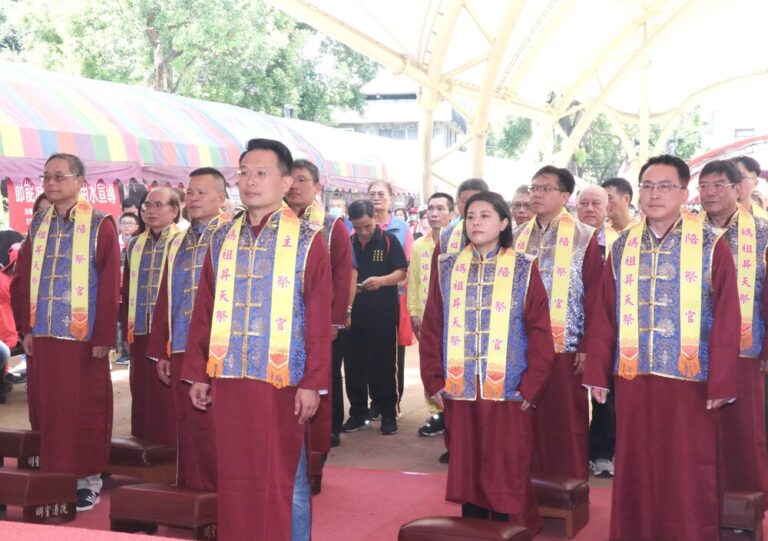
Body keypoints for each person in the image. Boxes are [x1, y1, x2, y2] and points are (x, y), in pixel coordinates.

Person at [584, 154, 740, 540]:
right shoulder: (623, 247)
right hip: (634, 374)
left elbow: (727, 315)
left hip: (691, 378)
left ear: (684, 193)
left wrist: (721, 380)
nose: (654, 194)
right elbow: (604, 312)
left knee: (689, 466)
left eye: (665, 186)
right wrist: (597, 372)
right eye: (648, 186)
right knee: (636, 463)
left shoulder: (709, 243)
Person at [183, 138, 332, 541]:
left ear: (286, 183)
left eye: (261, 173)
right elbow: (205, 310)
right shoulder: (222, 238)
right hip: (229, 377)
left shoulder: (307, 239)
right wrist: (198, 372)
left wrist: (313, 383)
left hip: (282, 381)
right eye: (244, 172)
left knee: (284, 476)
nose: (250, 181)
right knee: (234, 476)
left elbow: (319, 319)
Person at [420, 191, 554, 531]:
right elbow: (433, 324)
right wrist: (434, 380)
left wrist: (530, 387)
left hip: (509, 389)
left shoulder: (524, 268)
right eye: (471, 216)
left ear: (504, 223)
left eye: (485, 216)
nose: (476, 222)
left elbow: (539, 332)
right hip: (460, 386)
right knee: (468, 463)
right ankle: (475, 530)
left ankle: (512, 529)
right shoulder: (447, 268)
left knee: (507, 462)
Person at [11, 153, 120, 511]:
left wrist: (103, 336)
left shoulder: (101, 224)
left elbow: (109, 283)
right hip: (43, 334)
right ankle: (54, 477)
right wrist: (26, 328)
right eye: (46, 177)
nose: (52, 183)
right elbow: (23, 278)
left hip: (83, 338)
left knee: (83, 409)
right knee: (46, 407)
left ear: (79, 181)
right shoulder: (39, 223)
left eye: (59, 177)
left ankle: (87, 479)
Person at [514, 165, 602, 481]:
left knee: (565, 421)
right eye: (534, 187)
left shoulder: (584, 236)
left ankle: (569, 490)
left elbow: (595, 296)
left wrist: (588, 346)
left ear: (565, 196)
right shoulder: (515, 236)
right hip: (520, 349)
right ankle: (526, 488)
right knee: (523, 420)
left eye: (545, 188)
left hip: (566, 347)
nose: (536, 194)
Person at [145, 168, 229, 491]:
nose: (193, 198)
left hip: (217, 349)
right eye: (190, 192)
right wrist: (162, 349)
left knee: (214, 429)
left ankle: (217, 498)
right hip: (180, 345)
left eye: (202, 192)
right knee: (187, 429)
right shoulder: (176, 242)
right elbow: (165, 297)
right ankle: (191, 496)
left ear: (221, 199)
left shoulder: (230, 236)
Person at [697, 159, 768, 497]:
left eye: (718, 185)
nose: (709, 193)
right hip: (692, 349)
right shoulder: (688, 233)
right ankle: (697, 498)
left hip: (744, 347)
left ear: (739, 188)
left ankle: (743, 504)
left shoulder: (763, 233)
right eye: (703, 186)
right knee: (698, 428)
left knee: (742, 430)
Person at [287, 158, 354, 450]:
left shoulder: (330, 226)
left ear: (317, 187)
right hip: (285, 318)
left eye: (303, 179)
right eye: (291, 179)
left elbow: (343, 273)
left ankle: (329, 430)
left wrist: (335, 319)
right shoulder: (278, 223)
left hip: (321, 317)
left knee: (325, 374)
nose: (296, 185)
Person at [342, 199, 407, 435]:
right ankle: (358, 413)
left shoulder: (388, 241)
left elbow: (401, 272)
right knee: (353, 365)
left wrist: (381, 281)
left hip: (382, 314)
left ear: (375, 219)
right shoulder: (348, 243)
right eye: (358, 227)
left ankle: (388, 412)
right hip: (353, 315)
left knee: (383, 364)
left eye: (367, 226)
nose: (363, 232)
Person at [121, 187, 181, 445]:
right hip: (139, 328)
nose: (151, 211)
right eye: (147, 206)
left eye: (158, 205)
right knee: (142, 389)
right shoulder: (134, 244)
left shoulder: (184, 240)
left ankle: (168, 448)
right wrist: (125, 328)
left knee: (165, 392)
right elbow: (125, 287)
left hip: (170, 331)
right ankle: (143, 443)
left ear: (175, 210)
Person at [575, 184, 617, 477]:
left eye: (596, 204)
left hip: (610, 328)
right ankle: (574, 451)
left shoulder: (620, 242)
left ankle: (601, 452)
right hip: (572, 328)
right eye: (584, 203)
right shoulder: (568, 240)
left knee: (606, 395)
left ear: (608, 209)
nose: (589, 209)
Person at [407, 192, 454, 437]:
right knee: (430, 364)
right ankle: (436, 414)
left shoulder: (457, 245)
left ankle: (452, 416)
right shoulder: (419, 245)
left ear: (452, 213)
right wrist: (413, 312)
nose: (434, 214)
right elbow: (413, 280)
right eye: (431, 209)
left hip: (453, 319)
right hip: (426, 318)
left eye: (440, 209)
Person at [367, 180, 413, 416]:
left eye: (381, 194)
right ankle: (374, 402)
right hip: (363, 302)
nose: (376, 198)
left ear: (390, 198)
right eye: (372, 194)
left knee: (392, 356)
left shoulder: (401, 229)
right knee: (368, 354)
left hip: (393, 301)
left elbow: (406, 268)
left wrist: (383, 282)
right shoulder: (353, 226)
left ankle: (391, 403)